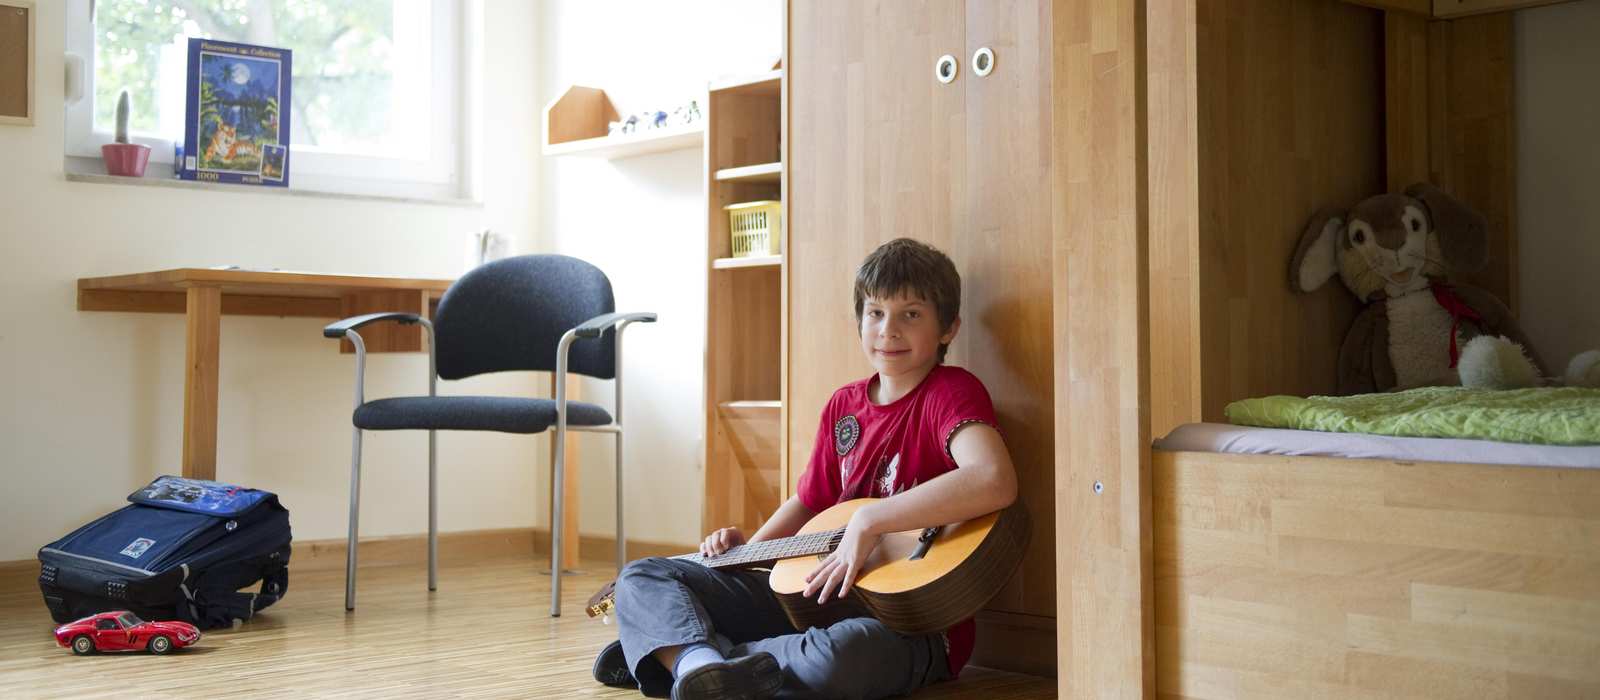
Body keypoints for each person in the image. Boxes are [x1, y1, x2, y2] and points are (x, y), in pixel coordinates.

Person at [594, 238, 1018, 699]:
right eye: (875, 313)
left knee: (844, 656)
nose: (888, 330)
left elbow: (993, 478)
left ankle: (681, 652)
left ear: (948, 328)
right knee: (643, 575)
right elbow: (811, 501)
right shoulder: (845, 405)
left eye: (910, 314)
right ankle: (698, 663)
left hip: (911, 625)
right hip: (811, 603)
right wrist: (745, 559)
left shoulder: (951, 392)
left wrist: (872, 519)